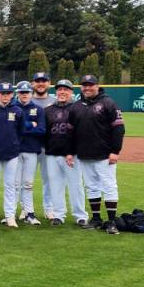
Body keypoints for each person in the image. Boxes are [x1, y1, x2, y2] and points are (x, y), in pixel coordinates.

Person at [73, 75, 125, 234]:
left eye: (90, 85)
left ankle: (111, 222)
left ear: (97, 86)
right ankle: (96, 218)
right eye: (84, 85)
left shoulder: (108, 103)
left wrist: (115, 151)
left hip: (104, 155)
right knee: (91, 187)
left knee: (109, 186)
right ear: (81, 87)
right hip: (85, 155)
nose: (87, 88)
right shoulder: (77, 106)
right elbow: (71, 132)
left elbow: (119, 129)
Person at [43, 80, 85, 226]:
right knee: (55, 185)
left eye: (65, 90)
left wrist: (72, 151)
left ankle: (80, 215)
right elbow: (44, 132)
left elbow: (80, 133)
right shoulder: (48, 110)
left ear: (71, 92)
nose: (62, 92)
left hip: (72, 155)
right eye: (59, 89)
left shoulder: (77, 108)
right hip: (52, 154)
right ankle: (59, 215)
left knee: (76, 185)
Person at [0, 83, 25, 228]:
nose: (5, 96)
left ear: (12, 95)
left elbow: (20, 132)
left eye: (8, 93)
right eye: (3, 93)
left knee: (10, 185)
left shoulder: (18, 111)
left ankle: (10, 216)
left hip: (11, 153)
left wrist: (14, 145)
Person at [13, 82, 46, 226]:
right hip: (14, 151)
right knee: (14, 184)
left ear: (31, 93)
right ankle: (10, 213)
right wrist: (29, 125)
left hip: (31, 150)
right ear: (18, 93)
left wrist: (23, 128)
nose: (24, 94)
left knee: (28, 184)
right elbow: (11, 129)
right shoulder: (13, 108)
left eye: (26, 92)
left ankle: (29, 213)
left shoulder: (38, 109)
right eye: (21, 92)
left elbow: (41, 130)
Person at [29, 72, 56, 220]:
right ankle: (27, 208)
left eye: (43, 81)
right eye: (37, 81)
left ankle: (49, 209)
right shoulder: (26, 99)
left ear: (49, 83)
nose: (40, 83)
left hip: (48, 146)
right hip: (29, 147)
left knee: (49, 179)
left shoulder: (55, 101)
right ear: (33, 83)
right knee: (26, 180)